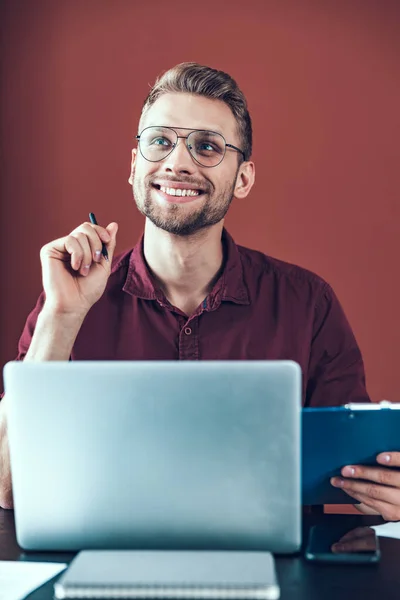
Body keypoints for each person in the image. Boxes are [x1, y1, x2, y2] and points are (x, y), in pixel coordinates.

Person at [1, 63, 399, 519]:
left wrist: (389, 487)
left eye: (207, 146)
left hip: (275, 576)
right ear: (135, 167)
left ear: (243, 178)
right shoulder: (65, 300)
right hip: (102, 565)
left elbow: (359, 476)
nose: (178, 162)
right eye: (160, 142)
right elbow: (5, 487)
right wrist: (62, 318)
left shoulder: (308, 304)